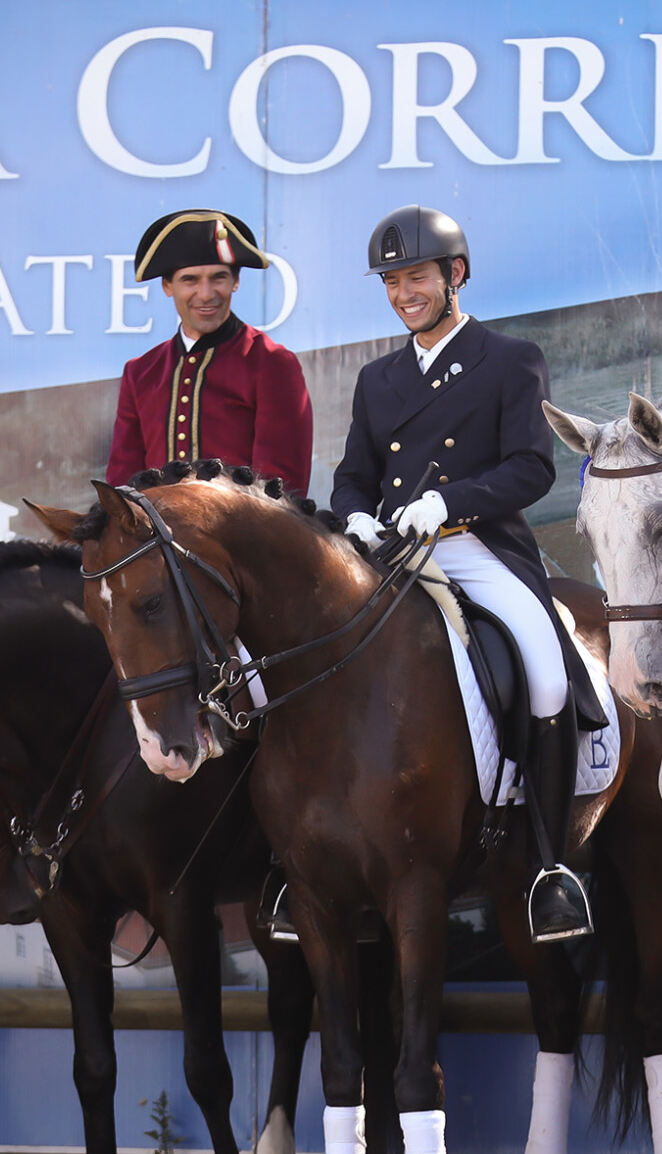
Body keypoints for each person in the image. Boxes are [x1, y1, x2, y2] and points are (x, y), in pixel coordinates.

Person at [332, 206, 605, 941]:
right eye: (391, 282)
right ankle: (298, 866)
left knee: (546, 674)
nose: (403, 294)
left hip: (475, 546)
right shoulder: (378, 378)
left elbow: (532, 467)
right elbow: (353, 474)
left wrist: (448, 502)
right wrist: (354, 517)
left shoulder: (509, 358)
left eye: (415, 277)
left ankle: (550, 867)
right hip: (390, 554)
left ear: (455, 274)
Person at [107, 210, 313, 494]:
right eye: (190, 280)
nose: (205, 294)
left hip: (242, 524)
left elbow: (279, 490)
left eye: (218, 278)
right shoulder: (140, 372)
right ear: (167, 286)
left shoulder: (271, 363)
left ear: (236, 282)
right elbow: (122, 485)